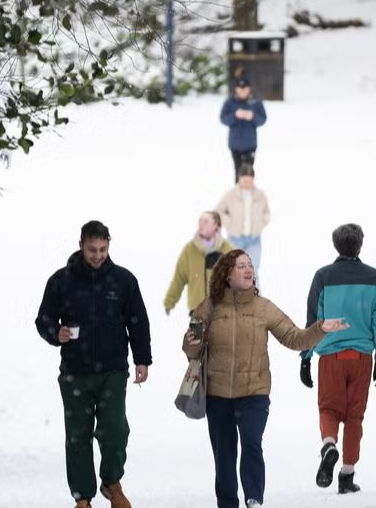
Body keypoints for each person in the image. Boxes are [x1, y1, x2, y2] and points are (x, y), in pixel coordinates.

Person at [183, 250, 348, 508]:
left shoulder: (264, 308)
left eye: (250, 265)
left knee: (251, 445)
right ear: (227, 274)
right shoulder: (208, 308)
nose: (249, 270)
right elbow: (193, 352)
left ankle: (253, 500)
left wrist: (320, 329)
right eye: (241, 266)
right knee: (224, 457)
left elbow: (294, 338)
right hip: (218, 397)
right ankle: (227, 503)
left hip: (254, 394)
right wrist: (190, 343)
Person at [35, 220, 153, 508]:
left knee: (115, 430)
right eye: (92, 250)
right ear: (81, 246)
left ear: (109, 245)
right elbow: (44, 319)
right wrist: (55, 333)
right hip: (75, 372)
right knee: (78, 437)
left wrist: (142, 360)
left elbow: (137, 321)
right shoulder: (60, 281)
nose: (98, 255)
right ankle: (83, 497)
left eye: (103, 249)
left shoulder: (124, 281)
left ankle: (112, 482)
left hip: (113, 371)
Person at [299, 224, 376, 495]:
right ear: (360, 245)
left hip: (330, 356)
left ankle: (329, 445)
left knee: (328, 409)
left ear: (335, 245)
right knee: (354, 417)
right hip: (362, 357)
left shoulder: (323, 277)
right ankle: (347, 475)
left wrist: (305, 357)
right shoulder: (375, 277)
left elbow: (313, 319)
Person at [164, 211, 234, 315]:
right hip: (197, 311)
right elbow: (179, 278)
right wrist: (170, 301)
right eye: (200, 221)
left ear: (216, 225)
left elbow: (238, 279)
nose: (201, 224)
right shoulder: (189, 249)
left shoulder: (227, 249)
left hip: (222, 312)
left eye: (205, 221)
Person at [214, 165, 271, 272]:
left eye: (249, 180)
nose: (247, 183)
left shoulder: (260, 195)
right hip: (235, 239)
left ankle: (252, 289)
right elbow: (218, 211)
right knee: (232, 271)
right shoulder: (230, 195)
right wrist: (227, 221)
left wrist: (263, 221)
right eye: (244, 180)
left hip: (254, 240)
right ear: (239, 179)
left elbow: (267, 212)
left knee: (252, 271)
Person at [219, 77, 267, 182]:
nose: (242, 91)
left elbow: (263, 119)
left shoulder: (256, 102)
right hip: (235, 144)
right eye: (240, 89)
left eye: (245, 89)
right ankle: (238, 196)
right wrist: (235, 115)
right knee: (238, 172)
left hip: (250, 144)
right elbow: (223, 119)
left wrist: (252, 116)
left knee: (248, 172)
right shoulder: (230, 102)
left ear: (249, 89)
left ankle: (249, 194)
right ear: (236, 89)